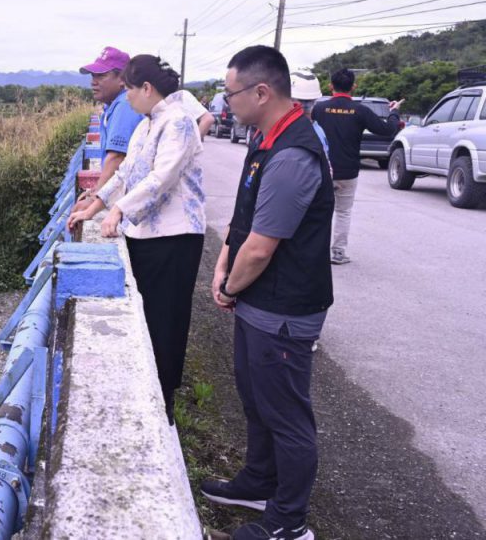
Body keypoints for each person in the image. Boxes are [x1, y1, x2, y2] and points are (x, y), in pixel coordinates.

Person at [204, 45, 334, 540]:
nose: (224, 103)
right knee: (256, 399)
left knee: (287, 414)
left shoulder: (294, 152)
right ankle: (258, 482)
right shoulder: (264, 138)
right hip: (257, 301)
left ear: (261, 91)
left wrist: (230, 284)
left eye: (230, 92)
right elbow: (244, 222)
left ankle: (289, 523)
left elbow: (260, 248)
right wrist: (222, 266)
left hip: (283, 308)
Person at [67, 54, 205, 425]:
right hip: (147, 236)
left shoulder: (178, 123)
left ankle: (164, 405)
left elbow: (161, 179)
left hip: (175, 239)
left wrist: (118, 211)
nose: (126, 97)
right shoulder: (148, 123)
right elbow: (126, 171)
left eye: (129, 89)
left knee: (167, 321)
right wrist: (94, 207)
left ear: (147, 88)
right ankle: (150, 394)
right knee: (148, 316)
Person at [311, 68, 403, 265]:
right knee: (343, 212)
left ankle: (315, 252)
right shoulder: (360, 111)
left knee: (319, 212)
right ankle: (338, 253)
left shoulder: (318, 109)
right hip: (348, 171)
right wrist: (393, 112)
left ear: (330, 86)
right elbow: (387, 130)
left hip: (320, 170)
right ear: (353, 87)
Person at [72, 46, 141, 212]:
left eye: (101, 75)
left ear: (122, 78)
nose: (93, 81)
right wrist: (98, 189)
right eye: (93, 75)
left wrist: (96, 198)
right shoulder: (114, 105)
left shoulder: (124, 105)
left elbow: (117, 157)